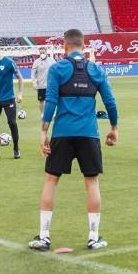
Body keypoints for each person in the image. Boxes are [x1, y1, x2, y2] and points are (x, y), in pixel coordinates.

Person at [29, 28, 119, 252]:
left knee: (51, 180)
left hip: (62, 133)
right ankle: (93, 237)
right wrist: (114, 128)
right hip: (89, 134)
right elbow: (110, 101)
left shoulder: (57, 68)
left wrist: (43, 132)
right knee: (91, 182)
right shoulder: (95, 69)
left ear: (64, 46)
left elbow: (50, 102)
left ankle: (44, 236)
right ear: (83, 44)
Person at [31, 48, 56, 118]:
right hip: (41, 85)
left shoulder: (52, 61)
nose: (42, 54)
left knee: (51, 100)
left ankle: (53, 113)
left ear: (46, 52)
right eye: (40, 53)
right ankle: (42, 114)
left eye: (43, 52)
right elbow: (33, 72)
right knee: (41, 101)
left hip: (51, 85)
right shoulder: (36, 62)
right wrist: (34, 82)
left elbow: (56, 70)